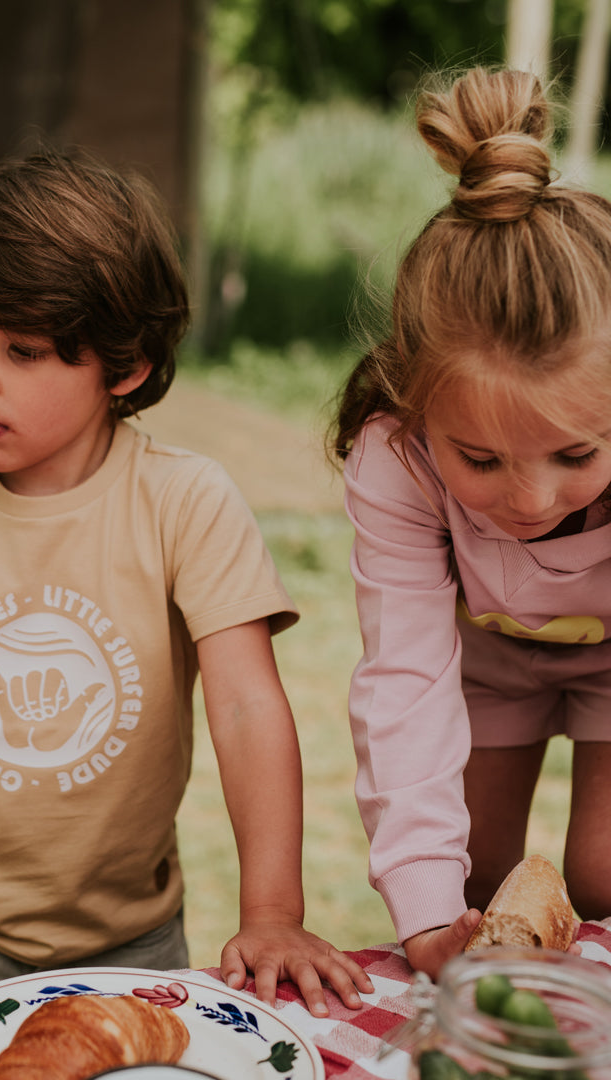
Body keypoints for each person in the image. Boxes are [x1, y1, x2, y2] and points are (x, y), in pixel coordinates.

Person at [0, 147, 372, 1015]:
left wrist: (272, 911)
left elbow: (248, 707)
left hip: (133, 936)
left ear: (124, 366)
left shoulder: (184, 501)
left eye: (22, 349)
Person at [331, 66, 611, 979]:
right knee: (482, 890)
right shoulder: (394, 457)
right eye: (480, 461)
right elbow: (404, 676)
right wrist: (421, 903)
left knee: (603, 874)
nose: (529, 504)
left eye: (576, 457)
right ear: (415, 407)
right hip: (489, 670)